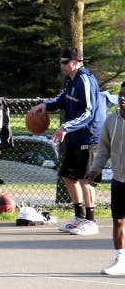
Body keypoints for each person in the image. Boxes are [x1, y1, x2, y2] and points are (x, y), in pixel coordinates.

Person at [29, 46, 105, 236]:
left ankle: (91, 220)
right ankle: (79, 217)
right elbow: (62, 99)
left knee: (85, 179)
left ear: (78, 62)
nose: (62, 65)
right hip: (74, 136)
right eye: (61, 62)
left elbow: (88, 112)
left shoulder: (85, 81)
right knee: (67, 175)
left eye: (66, 62)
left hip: (89, 137)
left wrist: (65, 127)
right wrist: (45, 105)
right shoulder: (70, 80)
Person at [86, 82, 125, 274]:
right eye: (121, 94)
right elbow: (104, 150)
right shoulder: (111, 121)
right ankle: (120, 260)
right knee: (118, 220)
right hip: (119, 180)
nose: (123, 98)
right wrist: (95, 169)